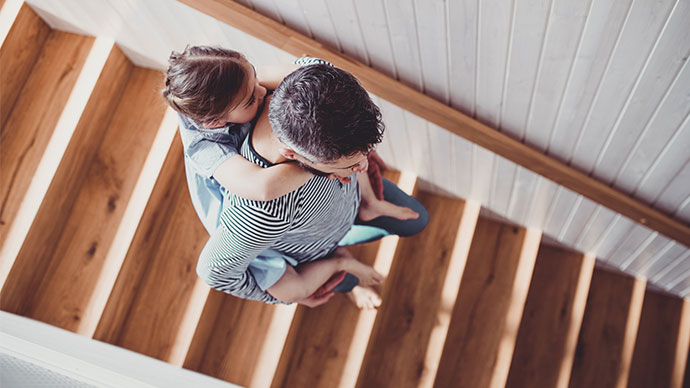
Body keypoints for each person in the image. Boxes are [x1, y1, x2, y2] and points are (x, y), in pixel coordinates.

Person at [162, 47, 419, 304]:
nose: (262, 91)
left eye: (254, 77)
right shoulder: (252, 200)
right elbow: (261, 189)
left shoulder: (271, 89)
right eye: (350, 164)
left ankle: (368, 206)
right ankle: (345, 267)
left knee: (416, 221)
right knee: (312, 285)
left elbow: (307, 71)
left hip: (341, 207)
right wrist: (321, 168)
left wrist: (339, 163)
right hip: (310, 251)